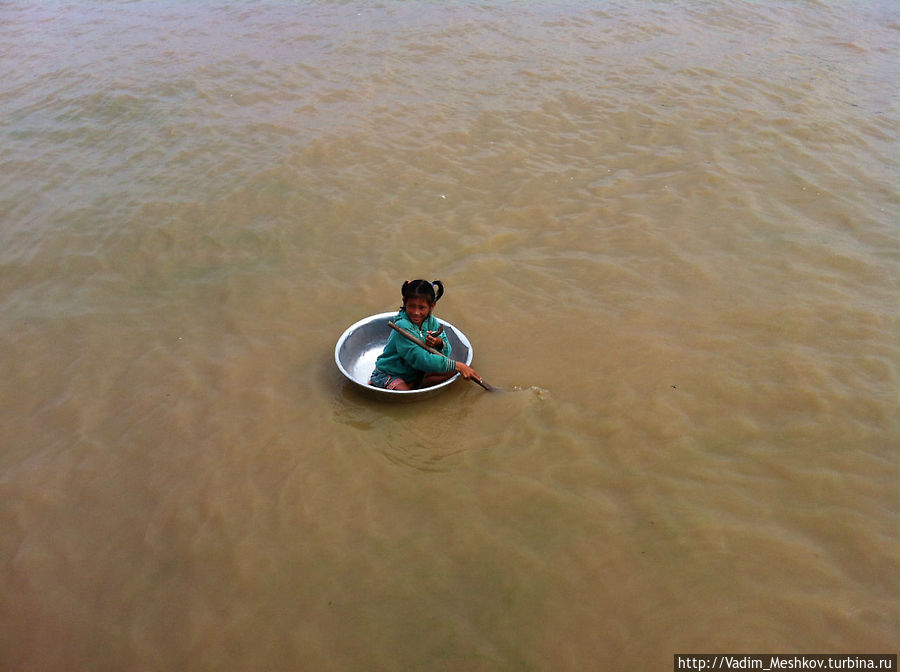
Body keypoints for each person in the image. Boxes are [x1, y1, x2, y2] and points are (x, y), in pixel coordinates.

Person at [369, 279, 481, 390]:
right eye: (411, 306)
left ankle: (414, 384)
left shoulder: (432, 322)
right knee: (406, 395)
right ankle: (384, 382)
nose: (416, 312)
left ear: (432, 306)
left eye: (422, 307)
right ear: (404, 302)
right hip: (390, 372)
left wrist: (439, 342)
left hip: (414, 371)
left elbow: (446, 353)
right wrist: (458, 365)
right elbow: (420, 359)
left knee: (453, 371)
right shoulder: (402, 326)